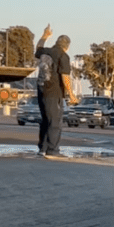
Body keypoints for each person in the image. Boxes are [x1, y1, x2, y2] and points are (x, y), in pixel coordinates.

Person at [34, 25, 77, 157]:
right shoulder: (63, 56)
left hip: (41, 89)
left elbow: (38, 47)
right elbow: (65, 77)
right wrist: (71, 94)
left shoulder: (45, 51)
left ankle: (42, 148)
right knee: (54, 122)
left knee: (45, 120)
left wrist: (45, 36)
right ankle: (53, 150)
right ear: (67, 46)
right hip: (54, 92)